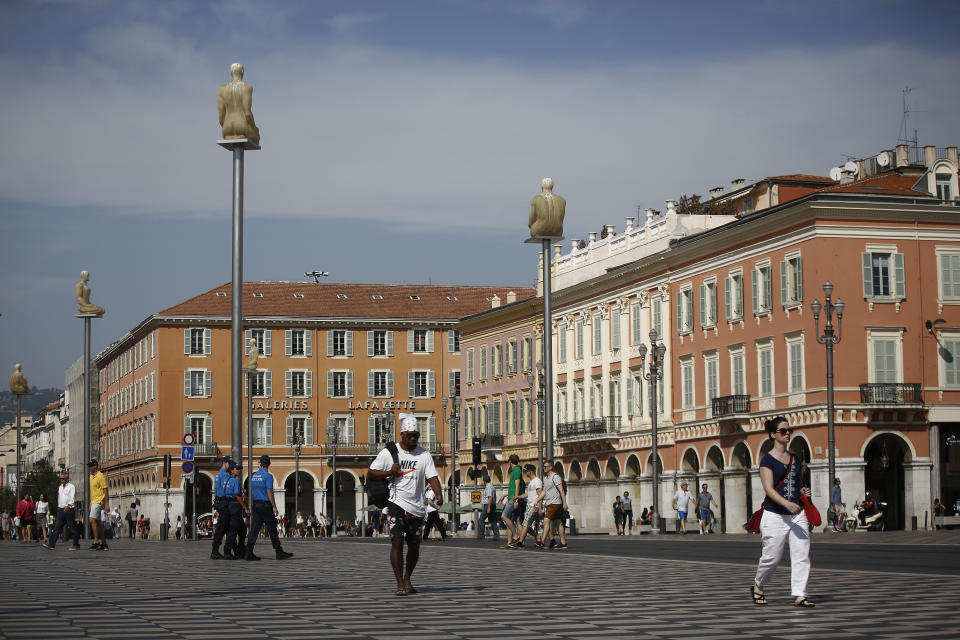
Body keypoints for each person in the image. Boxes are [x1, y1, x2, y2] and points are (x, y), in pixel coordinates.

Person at [367, 413, 443, 596]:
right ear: (402, 435)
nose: (413, 439)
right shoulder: (389, 452)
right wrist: (389, 472)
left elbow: (432, 476)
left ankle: (408, 578)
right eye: (410, 436)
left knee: (414, 545)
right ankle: (400, 583)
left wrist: (439, 493)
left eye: (416, 436)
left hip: (417, 507)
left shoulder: (424, 454)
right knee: (397, 541)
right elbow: (370, 473)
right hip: (395, 503)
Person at [753, 416, 814, 608]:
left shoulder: (795, 459)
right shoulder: (767, 460)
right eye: (783, 431)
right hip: (774, 514)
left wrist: (802, 492)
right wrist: (787, 504)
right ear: (773, 435)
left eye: (789, 430)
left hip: (797, 514)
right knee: (772, 557)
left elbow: (796, 484)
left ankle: (800, 594)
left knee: (801, 554)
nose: (787, 433)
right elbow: (769, 490)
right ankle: (759, 585)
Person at [244, 455, 294, 561]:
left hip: (256, 505)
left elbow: (252, 492)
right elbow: (269, 492)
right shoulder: (268, 476)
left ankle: (248, 552)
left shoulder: (253, 476)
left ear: (260, 463)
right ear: (269, 464)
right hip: (265, 505)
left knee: (254, 529)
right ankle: (279, 552)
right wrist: (274, 506)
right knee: (272, 529)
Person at [211, 457, 247, 559]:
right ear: (225, 464)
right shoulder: (224, 476)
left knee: (230, 528)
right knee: (227, 528)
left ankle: (234, 550)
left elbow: (217, 492)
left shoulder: (219, 475)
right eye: (230, 464)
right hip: (226, 504)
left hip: (223, 503)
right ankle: (226, 551)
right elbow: (224, 491)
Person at [217, 62, 260, 144]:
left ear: (231, 73)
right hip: (242, 126)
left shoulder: (221, 90)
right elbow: (247, 113)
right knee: (257, 135)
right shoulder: (246, 87)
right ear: (242, 72)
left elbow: (221, 117)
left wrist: (226, 126)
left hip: (226, 129)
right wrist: (254, 128)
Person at [42, 472, 81, 550]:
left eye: (63, 478)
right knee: (57, 527)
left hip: (68, 509)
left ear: (67, 479)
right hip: (60, 510)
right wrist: (58, 507)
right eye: (60, 478)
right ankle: (51, 544)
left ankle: (76, 544)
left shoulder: (71, 487)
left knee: (72, 528)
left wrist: (69, 505)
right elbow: (59, 498)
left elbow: (72, 497)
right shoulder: (60, 487)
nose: (61, 480)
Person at [511, 464, 543, 549]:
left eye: (526, 471)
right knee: (528, 525)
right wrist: (518, 496)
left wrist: (540, 508)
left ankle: (520, 543)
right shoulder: (532, 482)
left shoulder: (537, 481)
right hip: (530, 505)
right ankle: (538, 539)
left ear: (530, 471)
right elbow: (528, 494)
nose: (525, 473)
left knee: (525, 524)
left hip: (534, 506)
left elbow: (540, 495)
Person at [539, 460, 568, 550]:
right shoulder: (546, 478)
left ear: (551, 467)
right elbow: (544, 492)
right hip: (549, 503)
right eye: (543, 466)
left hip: (555, 503)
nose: (544, 468)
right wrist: (538, 500)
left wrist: (564, 503)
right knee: (558, 523)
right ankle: (563, 543)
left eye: (546, 466)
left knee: (546, 520)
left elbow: (561, 490)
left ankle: (542, 541)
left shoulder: (555, 477)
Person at [500, 454, 525, 548]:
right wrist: (506, 495)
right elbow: (515, 487)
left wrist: (516, 500)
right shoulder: (516, 470)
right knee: (516, 520)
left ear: (510, 461)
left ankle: (516, 536)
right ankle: (514, 542)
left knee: (504, 516)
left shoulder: (516, 470)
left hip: (514, 499)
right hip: (512, 497)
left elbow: (517, 485)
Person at [88, 459, 109, 550]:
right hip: (94, 501)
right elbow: (92, 491)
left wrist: (107, 503)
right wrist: (90, 502)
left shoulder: (100, 476)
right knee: (98, 523)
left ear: (95, 466)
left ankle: (96, 541)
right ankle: (104, 543)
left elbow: (105, 489)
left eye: (90, 466)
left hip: (99, 501)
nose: (89, 468)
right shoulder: (91, 477)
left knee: (92, 519)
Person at [481, 474, 500, 542]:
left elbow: (490, 497)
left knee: (481, 519)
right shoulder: (492, 486)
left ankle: (481, 536)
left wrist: (488, 507)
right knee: (493, 520)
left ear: (484, 481)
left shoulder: (488, 487)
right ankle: (497, 536)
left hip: (488, 505)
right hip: (492, 505)